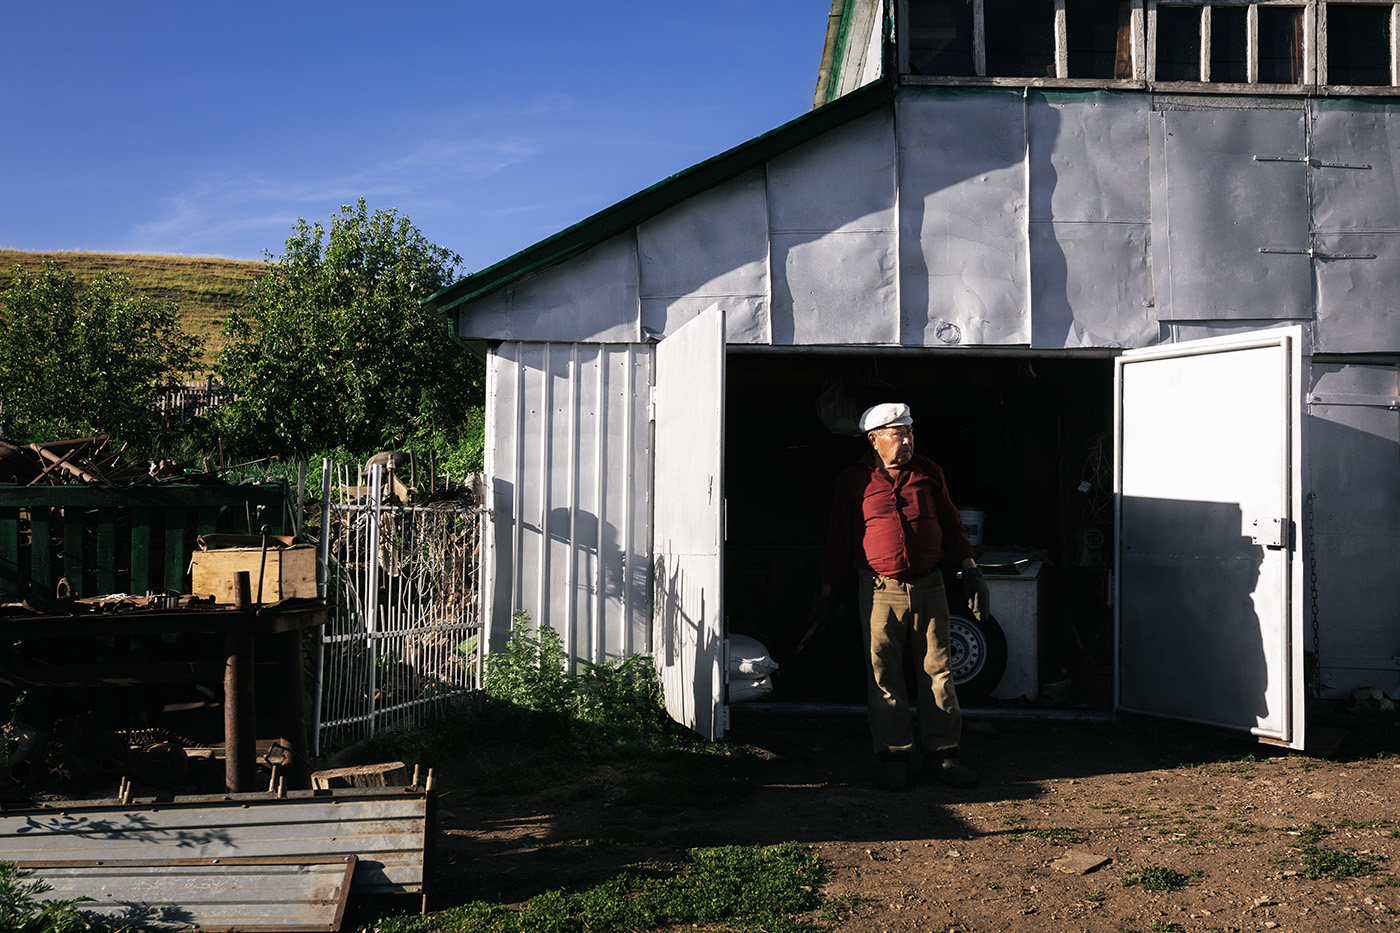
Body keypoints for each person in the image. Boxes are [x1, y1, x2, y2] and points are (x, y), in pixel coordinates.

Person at [812, 402, 989, 791]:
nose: (907, 441)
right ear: (874, 440)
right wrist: (826, 592)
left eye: (910, 432)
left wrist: (972, 571)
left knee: (938, 672)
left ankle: (943, 756)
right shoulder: (852, 481)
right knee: (883, 674)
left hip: (930, 586)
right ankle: (894, 756)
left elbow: (953, 525)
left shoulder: (929, 472)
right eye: (898, 434)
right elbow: (837, 541)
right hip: (877, 590)